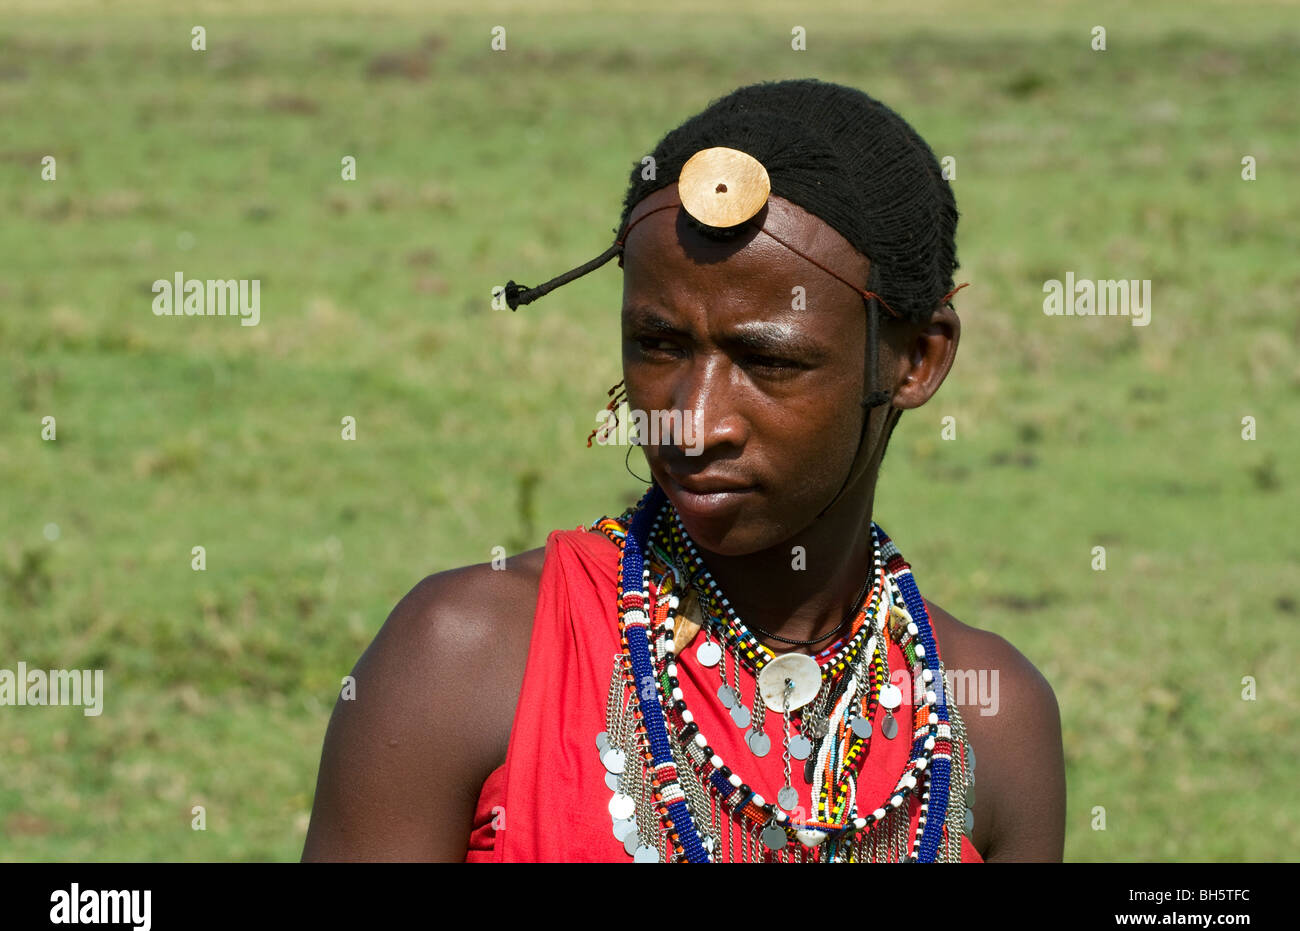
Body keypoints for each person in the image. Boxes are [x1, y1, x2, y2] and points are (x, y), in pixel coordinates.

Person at [301, 78, 1065, 863]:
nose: (692, 420)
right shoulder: (466, 655)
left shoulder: (991, 718)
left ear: (919, 359)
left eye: (767, 359)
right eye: (658, 344)